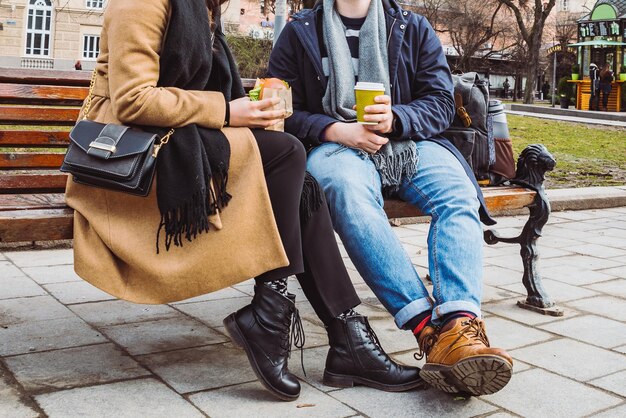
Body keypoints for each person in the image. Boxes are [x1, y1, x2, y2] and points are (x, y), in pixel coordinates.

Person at [65, 0, 422, 402]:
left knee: (301, 188)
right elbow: (133, 101)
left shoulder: (202, 8)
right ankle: (294, 322)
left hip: (176, 141)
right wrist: (228, 111)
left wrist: (252, 110)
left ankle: (338, 334)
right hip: (129, 159)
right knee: (286, 155)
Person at [269, 0, 513, 396]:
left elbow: (438, 102)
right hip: (337, 147)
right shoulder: (300, 30)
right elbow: (281, 108)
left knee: (457, 194)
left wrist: (396, 118)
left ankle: (460, 325)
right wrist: (334, 129)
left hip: (409, 143)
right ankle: (427, 330)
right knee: (348, 195)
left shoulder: (413, 27)